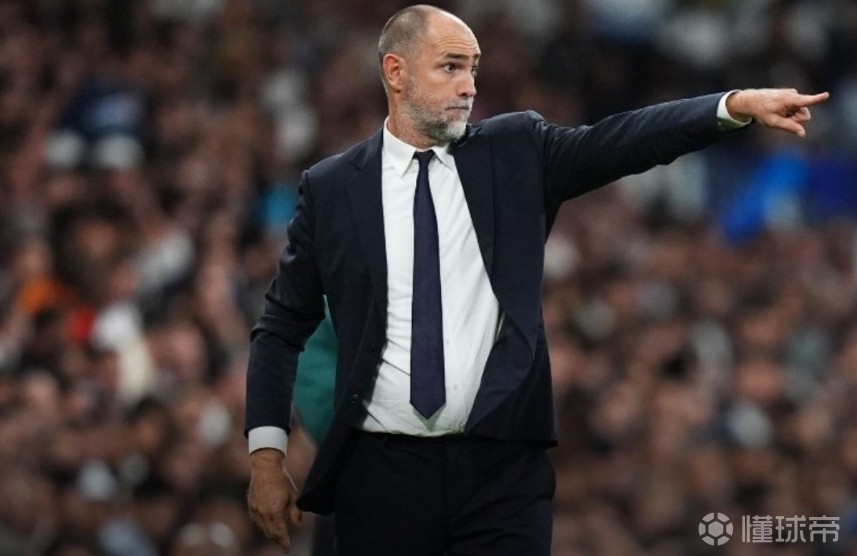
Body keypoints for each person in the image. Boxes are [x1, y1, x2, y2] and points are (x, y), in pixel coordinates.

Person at [245, 4, 829, 555]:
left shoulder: (514, 150)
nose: (469, 86)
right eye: (450, 67)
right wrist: (267, 457)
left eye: (473, 69)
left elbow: (621, 141)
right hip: (379, 473)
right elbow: (281, 327)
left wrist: (731, 106)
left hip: (500, 471)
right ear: (395, 73)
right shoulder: (332, 188)